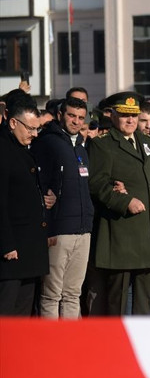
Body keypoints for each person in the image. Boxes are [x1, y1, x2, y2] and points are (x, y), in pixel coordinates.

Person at [86, 92, 150, 315]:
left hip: (146, 232)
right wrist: (124, 200)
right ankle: (115, 346)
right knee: (116, 300)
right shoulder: (103, 145)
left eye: (134, 115)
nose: (130, 121)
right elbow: (96, 183)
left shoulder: (147, 141)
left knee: (144, 300)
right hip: (121, 230)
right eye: (125, 115)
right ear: (112, 115)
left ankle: (142, 345)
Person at [30, 96, 94, 319]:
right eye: (71, 116)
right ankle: (50, 349)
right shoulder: (47, 142)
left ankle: (71, 349)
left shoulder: (81, 147)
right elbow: (36, 182)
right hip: (58, 230)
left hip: (83, 229)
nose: (76, 121)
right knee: (51, 294)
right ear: (60, 115)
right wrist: (47, 224)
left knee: (73, 293)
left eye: (80, 117)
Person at [0, 92, 49, 316]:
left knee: (23, 316)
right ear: (12, 122)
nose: (34, 134)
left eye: (37, 128)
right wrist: (7, 244)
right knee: (7, 314)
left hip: (28, 249)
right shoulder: (4, 149)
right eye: (30, 128)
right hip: (12, 252)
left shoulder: (22, 149)